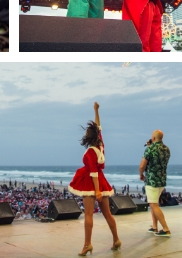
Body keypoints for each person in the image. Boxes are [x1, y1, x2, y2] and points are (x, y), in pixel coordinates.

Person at [68, 102, 121, 255]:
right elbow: (98, 126)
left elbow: (93, 173)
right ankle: (116, 239)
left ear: (89, 137)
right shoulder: (101, 145)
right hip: (101, 182)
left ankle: (87, 244)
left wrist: (97, 192)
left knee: (88, 215)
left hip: (92, 183)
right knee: (107, 214)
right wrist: (96, 111)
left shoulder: (91, 151)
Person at [139, 129, 171, 236]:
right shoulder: (167, 149)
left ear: (153, 138)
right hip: (162, 180)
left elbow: (142, 165)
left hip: (152, 180)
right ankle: (154, 227)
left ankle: (166, 228)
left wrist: (141, 174)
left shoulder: (150, 149)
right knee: (154, 204)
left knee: (153, 204)